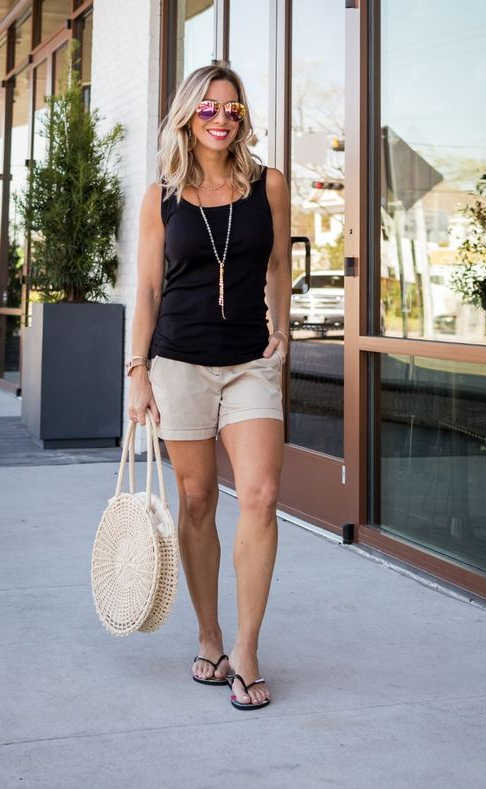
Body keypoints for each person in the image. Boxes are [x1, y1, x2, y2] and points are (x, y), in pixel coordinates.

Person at [125, 64, 291, 710]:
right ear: (188, 117)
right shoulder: (161, 196)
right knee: (197, 500)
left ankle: (246, 649)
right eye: (209, 109)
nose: (222, 119)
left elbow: (278, 264)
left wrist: (284, 329)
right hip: (180, 362)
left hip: (250, 359)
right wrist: (137, 371)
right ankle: (210, 634)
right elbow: (145, 290)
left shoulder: (267, 185)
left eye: (233, 110)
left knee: (262, 493)